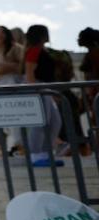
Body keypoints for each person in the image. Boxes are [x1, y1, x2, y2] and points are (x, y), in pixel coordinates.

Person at [23, 24, 64, 167]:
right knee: (40, 121)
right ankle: (35, 155)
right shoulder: (34, 50)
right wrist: (36, 90)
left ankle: (46, 153)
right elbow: (29, 72)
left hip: (45, 87)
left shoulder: (42, 50)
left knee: (55, 122)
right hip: (38, 87)